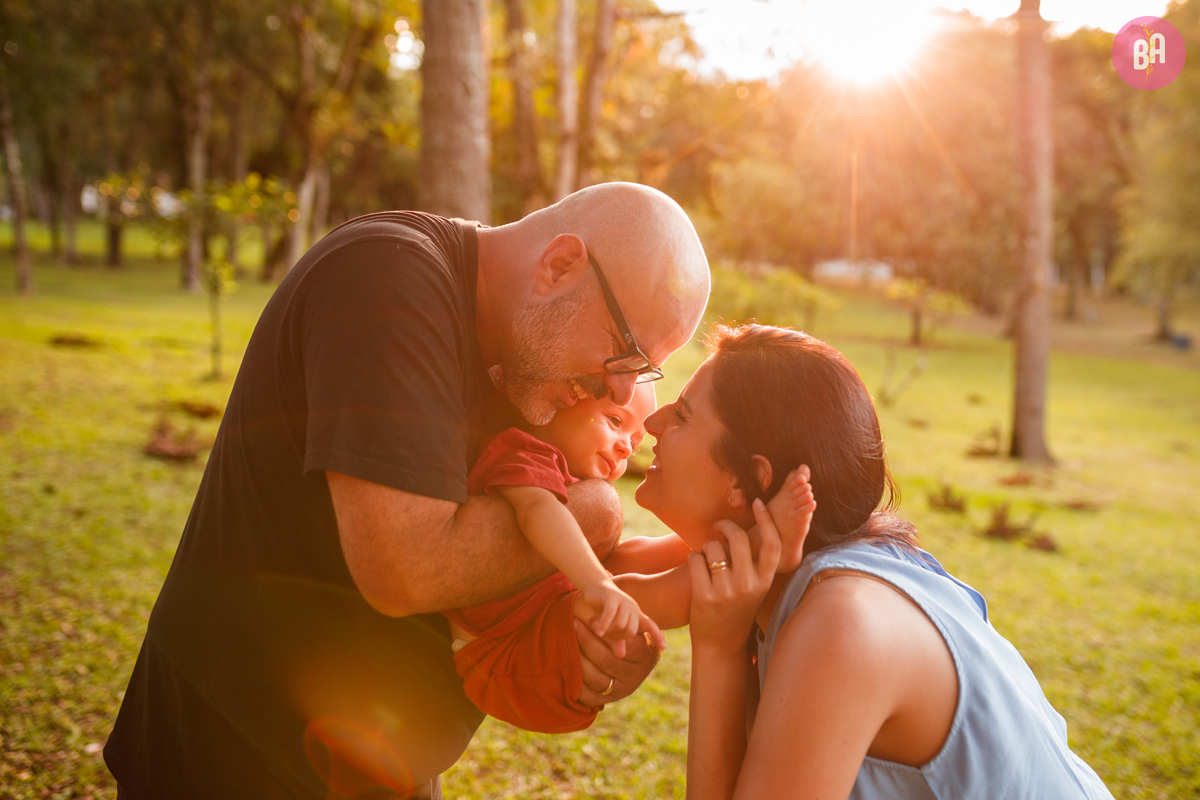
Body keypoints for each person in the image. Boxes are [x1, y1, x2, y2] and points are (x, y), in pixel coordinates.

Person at [103, 182, 711, 800]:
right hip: (236, 754)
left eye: (642, 373)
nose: (618, 394)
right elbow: (405, 568)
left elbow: (518, 562)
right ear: (558, 267)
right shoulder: (388, 280)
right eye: (624, 353)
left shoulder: (524, 358)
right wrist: (597, 513)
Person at [634, 323, 1113, 800]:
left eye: (681, 415)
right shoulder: (795, 563)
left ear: (747, 481)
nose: (652, 424)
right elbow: (606, 574)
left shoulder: (840, 622)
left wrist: (720, 647)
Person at [447, 381, 814, 736]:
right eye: (615, 422)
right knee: (630, 592)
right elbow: (536, 511)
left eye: (634, 442)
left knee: (633, 555)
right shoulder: (520, 451)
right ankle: (763, 548)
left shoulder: (561, 472)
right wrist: (598, 583)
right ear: (560, 400)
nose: (626, 448)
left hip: (534, 619)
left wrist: (600, 579)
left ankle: (743, 538)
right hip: (506, 655)